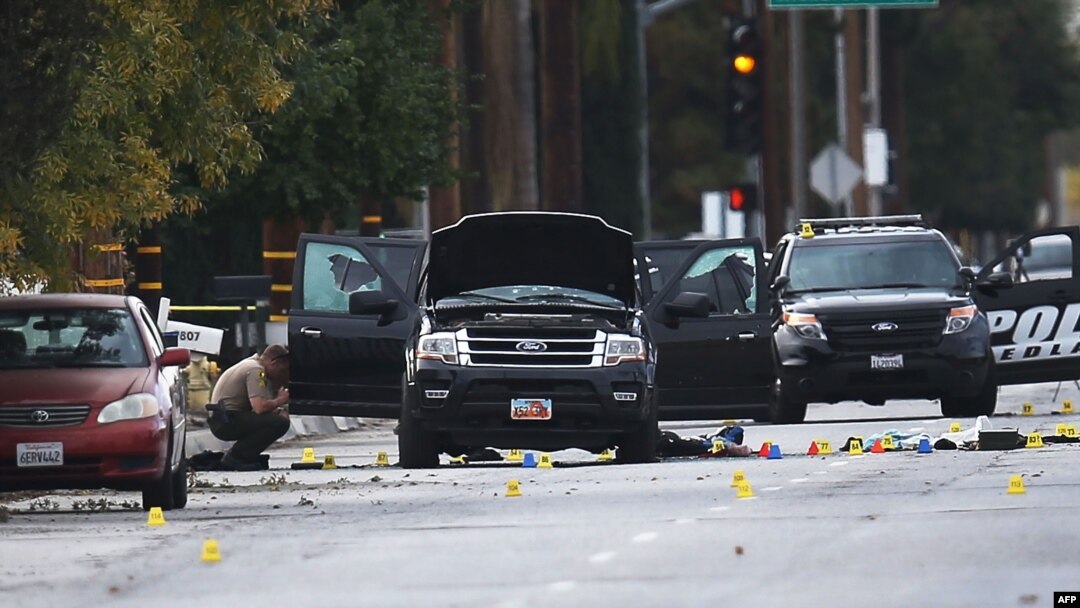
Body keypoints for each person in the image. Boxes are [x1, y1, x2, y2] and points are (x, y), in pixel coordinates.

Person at [208, 344, 291, 471]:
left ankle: (247, 456)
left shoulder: (252, 364)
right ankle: (236, 458)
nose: (281, 375)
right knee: (280, 423)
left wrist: (277, 409)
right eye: (281, 371)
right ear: (274, 363)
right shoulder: (256, 370)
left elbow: (258, 406)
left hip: (224, 417)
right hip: (225, 421)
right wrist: (280, 400)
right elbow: (259, 407)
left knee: (277, 418)